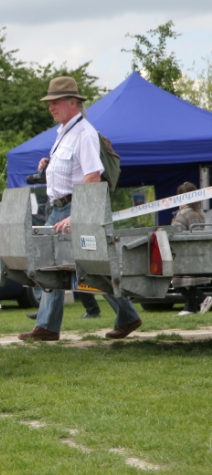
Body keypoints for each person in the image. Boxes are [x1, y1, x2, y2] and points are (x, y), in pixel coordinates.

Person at [19, 76, 143, 341]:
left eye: (55, 102)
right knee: (50, 264)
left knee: (94, 267)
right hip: (59, 208)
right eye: (49, 102)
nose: (50, 107)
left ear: (73, 103)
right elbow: (72, 170)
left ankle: (128, 317)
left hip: (77, 207)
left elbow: (92, 177)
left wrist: (78, 216)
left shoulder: (84, 133)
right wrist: (48, 165)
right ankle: (47, 327)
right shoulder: (65, 132)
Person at [170, 181, 212, 316]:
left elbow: (176, 230)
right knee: (189, 282)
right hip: (197, 251)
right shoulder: (199, 212)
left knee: (178, 282)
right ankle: (190, 308)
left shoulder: (184, 213)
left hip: (184, 252)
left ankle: (203, 299)